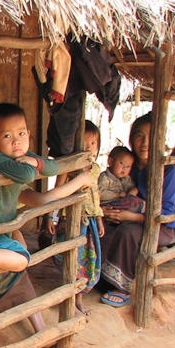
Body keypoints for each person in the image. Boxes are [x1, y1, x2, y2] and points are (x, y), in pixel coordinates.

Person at [0, 103, 92, 348]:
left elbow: (47, 185)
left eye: (22, 133)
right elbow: (26, 176)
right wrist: (34, 165)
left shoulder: (19, 165)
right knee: (22, 256)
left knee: (16, 266)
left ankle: (39, 334)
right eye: (7, 135)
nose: (17, 141)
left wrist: (78, 180)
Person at [100, 112, 175, 307]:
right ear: (131, 139)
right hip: (126, 218)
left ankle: (122, 287)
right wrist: (108, 212)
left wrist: (132, 217)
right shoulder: (129, 166)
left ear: (161, 138)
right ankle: (99, 278)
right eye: (139, 135)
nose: (144, 142)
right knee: (103, 228)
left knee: (128, 232)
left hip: (160, 226)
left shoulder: (168, 170)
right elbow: (111, 191)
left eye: (151, 136)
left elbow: (168, 213)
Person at [54, 121, 104, 316]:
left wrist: (99, 218)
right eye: (84, 142)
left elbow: (95, 194)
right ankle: (68, 299)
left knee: (87, 262)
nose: (88, 147)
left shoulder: (95, 169)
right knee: (72, 261)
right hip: (70, 220)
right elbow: (57, 192)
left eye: (93, 143)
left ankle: (79, 298)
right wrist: (51, 217)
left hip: (89, 220)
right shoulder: (69, 168)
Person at [98, 146, 144, 215]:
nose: (124, 168)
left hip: (122, 204)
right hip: (108, 204)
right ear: (110, 161)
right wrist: (117, 195)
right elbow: (100, 193)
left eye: (128, 166)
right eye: (121, 163)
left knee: (133, 200)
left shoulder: (126, 178)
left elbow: (131, 187)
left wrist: (133, 191)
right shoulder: (105, 177)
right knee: (132, 203)